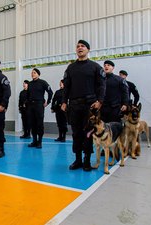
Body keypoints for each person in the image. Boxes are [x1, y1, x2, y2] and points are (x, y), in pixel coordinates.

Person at [61, 40, 106, 171]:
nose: (80, 48)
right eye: (78, 46)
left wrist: (100, 101)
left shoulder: (95, 67)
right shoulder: (70, 68)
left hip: (89, 107)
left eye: (83, 46)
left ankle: (87, 161)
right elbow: (66, 86)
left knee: (87, 133)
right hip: (74, 106)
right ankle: (78, 160)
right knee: (76, 134)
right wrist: (64, 101)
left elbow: (102, 86)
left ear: (88, 50)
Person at [27, 68, 53, 149]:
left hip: (39, 105)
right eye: (32, 73)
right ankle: (34, 141)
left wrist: (48, 102)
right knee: (32, 123)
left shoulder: (43, 82)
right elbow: (28, 94)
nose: (32, 74)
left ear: (38, 74)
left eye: (34, 73)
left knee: (39, 124)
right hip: (31, 106)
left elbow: (50, 92)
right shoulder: (30, 84)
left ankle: (40, 142)